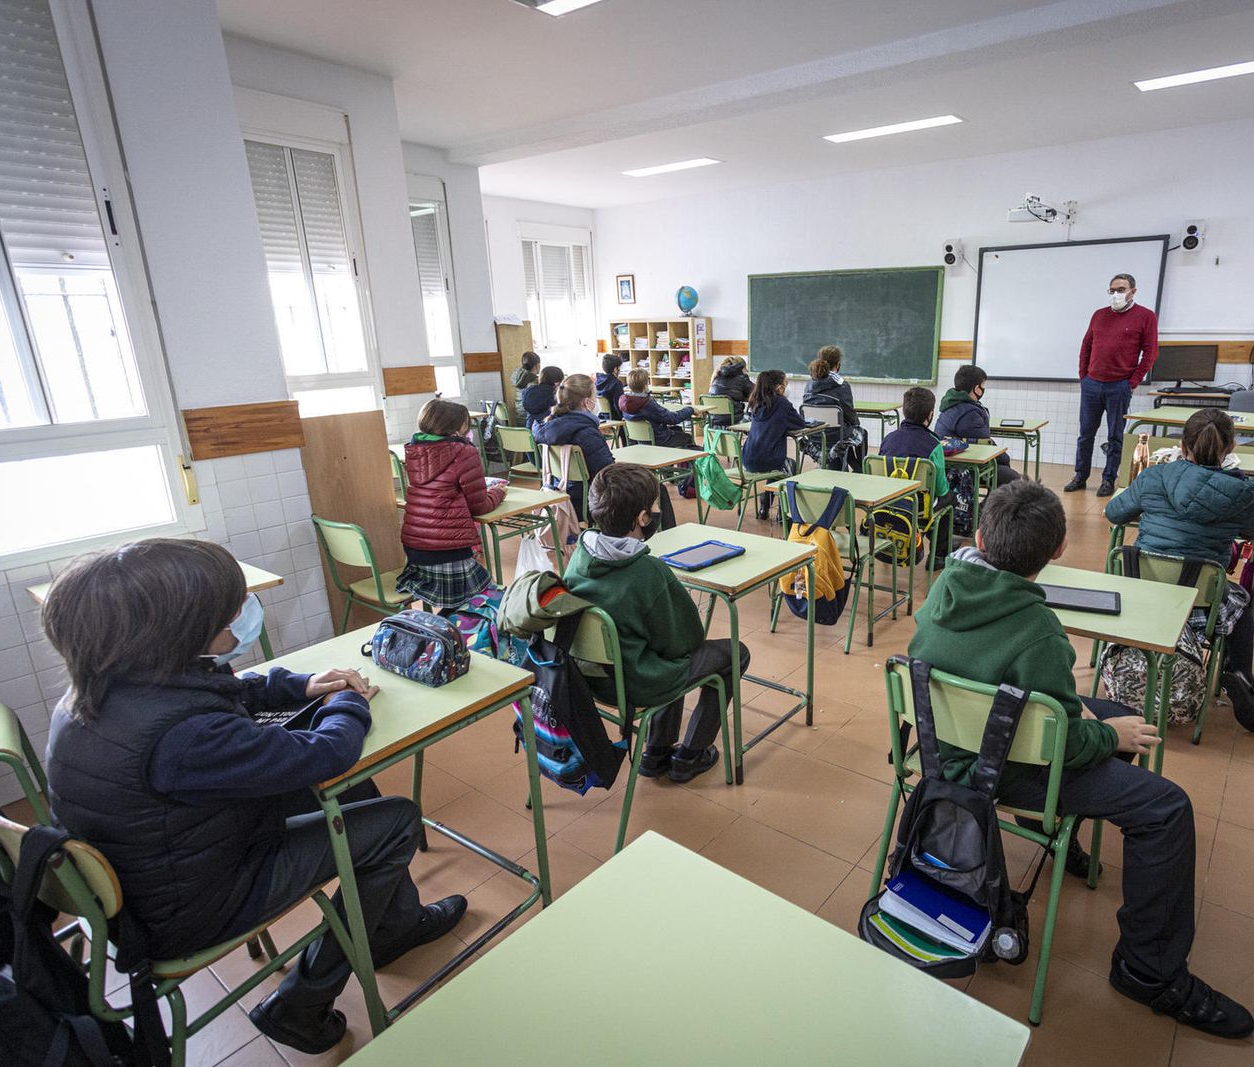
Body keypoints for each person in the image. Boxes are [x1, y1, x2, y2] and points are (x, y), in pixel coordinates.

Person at [40, 540, 466, 1055]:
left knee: (352, 792)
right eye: (226, 613)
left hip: (161, 868)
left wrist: (302, 684)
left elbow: (222, 689)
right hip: (192, 905)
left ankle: (392, 925)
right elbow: (326, 754)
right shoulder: (184, 735)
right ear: (180, 633)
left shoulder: (102, 689)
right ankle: (302, 1003)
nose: (238, 618)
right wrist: (347, 703)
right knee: (394, 818)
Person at [908, 482, 1254, 1039]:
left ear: (977, 538)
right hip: (1002, 772)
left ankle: (1056, 830)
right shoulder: (1039, 633)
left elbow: (1041, 713)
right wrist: (1106, 738)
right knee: (1167, 806)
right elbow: (1061, 742)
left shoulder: (942, 590)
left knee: (1113, 710)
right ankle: (1149, 971)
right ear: (1058, 551)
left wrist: (1103, 725)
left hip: (940, 756)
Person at [564, 463, 749, 782]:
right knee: (735, 653)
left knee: (658, 648)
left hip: (589, 678)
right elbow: (687, 640)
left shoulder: (580, 556)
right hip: (635, 681)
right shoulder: (648, 573)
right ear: (642, 518)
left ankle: (656, 750)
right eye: (656, 505)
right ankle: (691, 754)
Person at [1104, 407, 1254, 733]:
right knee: (1242, 602)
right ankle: (1238, 673)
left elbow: (1114, 513)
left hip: (1143, 595)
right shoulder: (1244, 492)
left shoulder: (1152, 477)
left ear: (1183, 446)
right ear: (1231, 448)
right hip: (1202, 607)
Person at [395, 397, 505, 621]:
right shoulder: (463, 452)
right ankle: (447, 631)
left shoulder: (415, 449)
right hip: (447, 548)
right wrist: (499, 492)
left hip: (415, 546)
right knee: (485, 598)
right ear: (456, 428)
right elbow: (480, 506)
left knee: (467, 599)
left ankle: (440, 631)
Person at [1066, 272, 1159, 498]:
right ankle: (1081, 475)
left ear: (1132, 291)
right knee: (1085, 434)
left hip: (1119, 386)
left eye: (1121, 289)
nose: (1116, 294)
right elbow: (1086, 346)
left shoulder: (1146, 316)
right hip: (1092, 384)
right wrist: (1084, 377)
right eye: (1112, 290)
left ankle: (1108, 479)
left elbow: (1150, 353)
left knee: (1115, 435)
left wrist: (1132, 382)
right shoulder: (1099, 315)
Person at [877, 386, 953, 565]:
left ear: (905, 411)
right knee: (950, 499)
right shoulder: (934, 445)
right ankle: (939, 555)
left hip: (887, 501)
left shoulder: (888, 439)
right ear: (930, 415)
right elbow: (941, 489)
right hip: (918, 507)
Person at [535, 372, 615, 521]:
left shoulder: (548, 427)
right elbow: (607, 473)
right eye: (594, 396)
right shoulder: (586, 433)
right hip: (588, 500)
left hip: (559, 494)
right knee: (653, 489)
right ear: (586, 402)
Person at [743, 368, 816, 521]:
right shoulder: (782, 403)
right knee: (790, 466)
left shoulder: (756, 401)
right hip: (768, 460)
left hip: (748, 459)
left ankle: (765, 505)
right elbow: (799, 423)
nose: (787, 388)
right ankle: (784, 513)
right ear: (778, 387)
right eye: (785, 384)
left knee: (779, 466)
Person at [935, 365, 1017, 487]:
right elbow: (985, 444)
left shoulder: (951, 403)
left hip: (950, 463)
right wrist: (1005, 459)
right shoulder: (968, 414)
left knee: (1003, 470)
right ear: (976, 388)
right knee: (1013, 479)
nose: (984, 389)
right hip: (962, 468)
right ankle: (988, 506)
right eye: (982, 386)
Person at [802, 345, 867, 472]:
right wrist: (855, 424)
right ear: (838, 364)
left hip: (814, 435)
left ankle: (855, 467)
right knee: (861, 433)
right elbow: (849, 415)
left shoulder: (809, 385)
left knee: (844, 433)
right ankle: (860, 469)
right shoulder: (841, 385)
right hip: (837, 436)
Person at [619, 367, 698, 449]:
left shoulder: (625, 402)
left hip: (637, 441)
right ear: (646, 384)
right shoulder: (647, 404)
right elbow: (672, 419)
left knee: (678, 430)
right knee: (687, 438)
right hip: (658, 441)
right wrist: (690, 410)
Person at [520, 365, 564, 440]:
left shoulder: (528, 393)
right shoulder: (554, 397)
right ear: (557, 383)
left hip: (530, 442)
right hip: (546, 443)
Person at [707, 356, 752, 426]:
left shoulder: (716, 375)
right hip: (732, 418)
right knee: (753, 417)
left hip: (713, 417)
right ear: (741, 368)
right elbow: (755, 393)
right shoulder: (742, 377)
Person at [595, 354, 626, 420]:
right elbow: (619, 406)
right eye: (619, 368)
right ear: (615, 369)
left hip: (604, 418)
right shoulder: (616, 384)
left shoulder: (597, 381)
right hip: (616, 419)